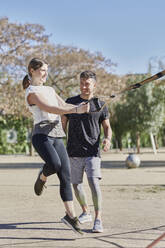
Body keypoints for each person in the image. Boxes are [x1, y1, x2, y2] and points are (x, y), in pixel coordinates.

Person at [22, 58, 89, 235]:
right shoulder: (31, 92)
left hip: (57, 134)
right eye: (42, 70)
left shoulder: (50, 89)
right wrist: (75, 110)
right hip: (41, 135)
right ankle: (43, 175)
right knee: (55, 165)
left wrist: (80, 106)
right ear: (32, 70)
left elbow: (63, 105)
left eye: (46, 70)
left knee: (65, 176)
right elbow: (51, 109)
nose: (46, 73)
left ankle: (71, 216)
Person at [62, 70, 112, 233]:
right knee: (76, 185)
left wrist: (107, 139)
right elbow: (63, 124)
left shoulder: (101, 104)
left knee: (93, 182)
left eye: (87, 83)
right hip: (73, 151)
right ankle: (86, 211)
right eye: (82, 83)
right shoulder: (70, 102)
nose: (84, 86)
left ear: (94, 85)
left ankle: (98, 219)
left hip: (92, 151)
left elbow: (107, 127)